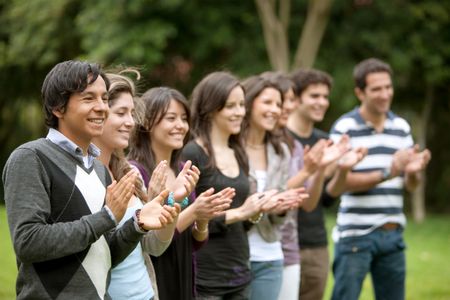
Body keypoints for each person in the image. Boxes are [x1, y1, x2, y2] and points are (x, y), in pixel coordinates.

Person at [2, 60, 170, 299]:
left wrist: (137, 224)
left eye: (104, 98)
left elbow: (105, 250)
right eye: (89, 98)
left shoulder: (99, 170)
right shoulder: (30, 158)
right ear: (58, 108)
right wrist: (107, 217)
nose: (102, 107)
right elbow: (28, 242)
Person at [329, 58, 431, 300]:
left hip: (393, 232)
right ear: (359, 92)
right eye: (376, 89)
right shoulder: (345, 127)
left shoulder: (401, 127)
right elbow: (338, 183)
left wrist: (414, 172)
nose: (385, 94)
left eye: (388, 87)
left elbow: (410, 185)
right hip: (355, 235)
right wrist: (388, 172)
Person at [128, 86, 232, 300]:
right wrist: (193, 211)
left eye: (184, 118)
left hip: (185, 271)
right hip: (155, 274)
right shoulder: (135, 172)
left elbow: (194, 242)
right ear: (147, 122)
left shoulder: (183, 168)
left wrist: (202, 220)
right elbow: (149, 239)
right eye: (171, 118)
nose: (180, 126)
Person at [181, 71, 275, 300]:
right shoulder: (192, 153)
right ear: (211, 109)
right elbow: (186, 220)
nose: (239, 112)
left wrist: (255, 211)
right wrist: (241, 212)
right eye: (230, 106)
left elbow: (243, 220)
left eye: (242, 105)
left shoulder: (239, 153)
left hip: (239, 273)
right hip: (205, 278)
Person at [92, 72, 184, 300]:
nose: (130, 122)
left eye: (132, 114)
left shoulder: (130, 175)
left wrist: (167, 216)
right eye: (121, 113)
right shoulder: (82, 177)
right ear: (98, 114)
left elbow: (153, 248)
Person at [241, 74, 307, 300]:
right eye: (267, 102)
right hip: (236, 255)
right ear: (248, 103)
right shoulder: (231, 149)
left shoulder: (281, 152)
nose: (275, 110)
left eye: (278, 104)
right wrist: (259, 206)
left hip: (270, 254)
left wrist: (281, 207)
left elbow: (281, 220)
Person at [287, 68, 342, 300]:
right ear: (296, 99)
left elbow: (327, 199)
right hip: (284, 242)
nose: (322, 102)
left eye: (325, 96)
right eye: (314, 96)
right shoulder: (280, 139)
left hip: (316, 243)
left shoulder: (325, 141)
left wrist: (343, 169)